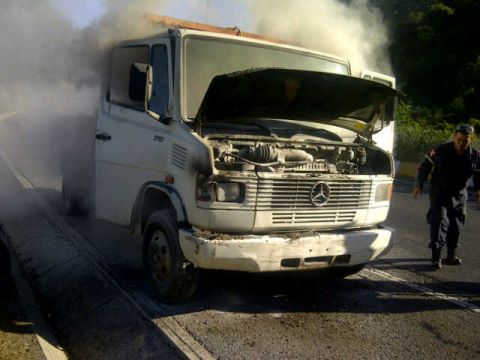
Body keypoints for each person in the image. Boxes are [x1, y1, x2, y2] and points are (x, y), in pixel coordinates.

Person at [412, 124, 480, 269]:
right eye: (459, 140)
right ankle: (436, 257)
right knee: (440, 221)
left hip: (460, 194)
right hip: (440, 192)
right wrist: (418, 185)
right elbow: (425, 166)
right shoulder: (440, 150)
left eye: (465, 141)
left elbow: (478, 175)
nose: (461, 143)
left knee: (457, 223)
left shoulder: (475, 155)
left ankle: (451, 255)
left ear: (470, 140)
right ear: (454, 137)